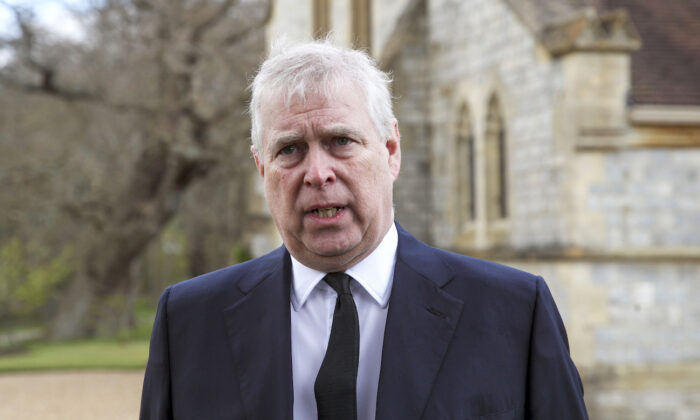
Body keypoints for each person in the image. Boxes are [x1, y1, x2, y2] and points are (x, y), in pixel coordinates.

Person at [140, 40, 589, 420]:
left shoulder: (513, 313)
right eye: (290, 149)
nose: (317, 173)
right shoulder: (188, 323)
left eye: (341, 141)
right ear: (262, 169)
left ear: (391, 151)